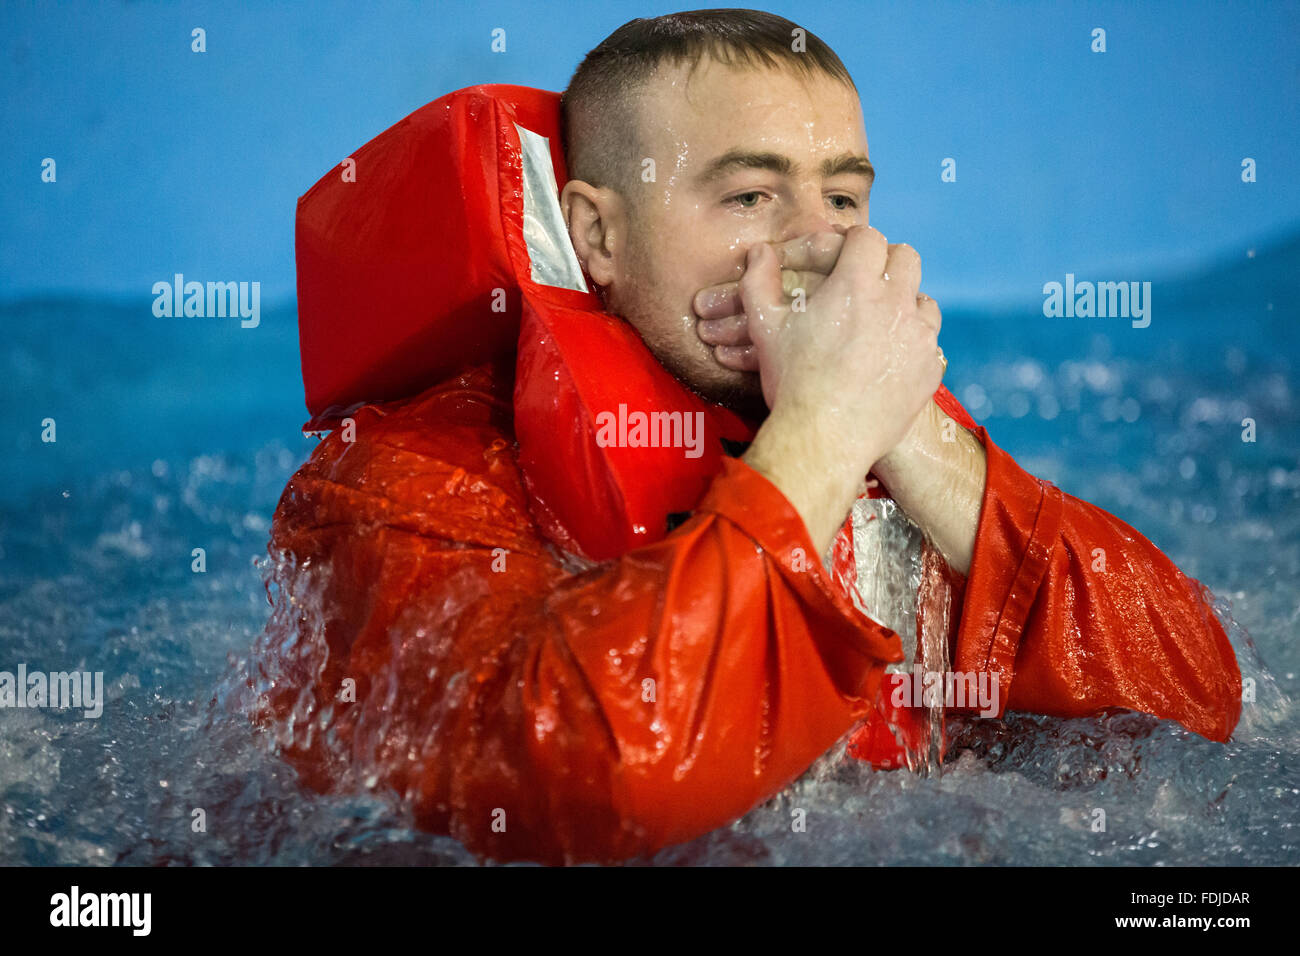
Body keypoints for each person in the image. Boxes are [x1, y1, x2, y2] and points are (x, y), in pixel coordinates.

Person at [257, 9, 1241, 865]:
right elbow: (587, 778)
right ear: (597, 236)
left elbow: (1193, 693)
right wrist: (823, 429)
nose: (818, 245)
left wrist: (905, 434)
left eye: (844, 197)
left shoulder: (876, 419)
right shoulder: (406, 480)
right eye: (750, 197)